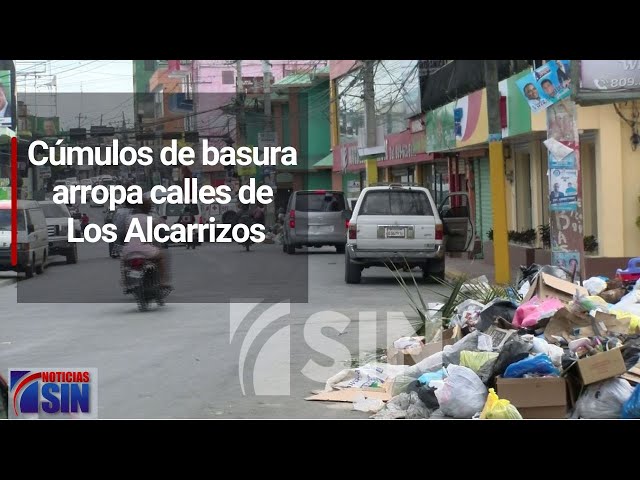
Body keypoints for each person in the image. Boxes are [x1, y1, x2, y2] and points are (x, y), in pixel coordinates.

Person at [121, 198, 171, 289]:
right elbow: (160, 231)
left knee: (124, 262)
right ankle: (162, 281)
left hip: (128, 250)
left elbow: (124, 234)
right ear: (149, 209)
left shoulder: (129, 218)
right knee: (161, 257)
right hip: (145, 249)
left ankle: (126, 282)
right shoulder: (150, 219)